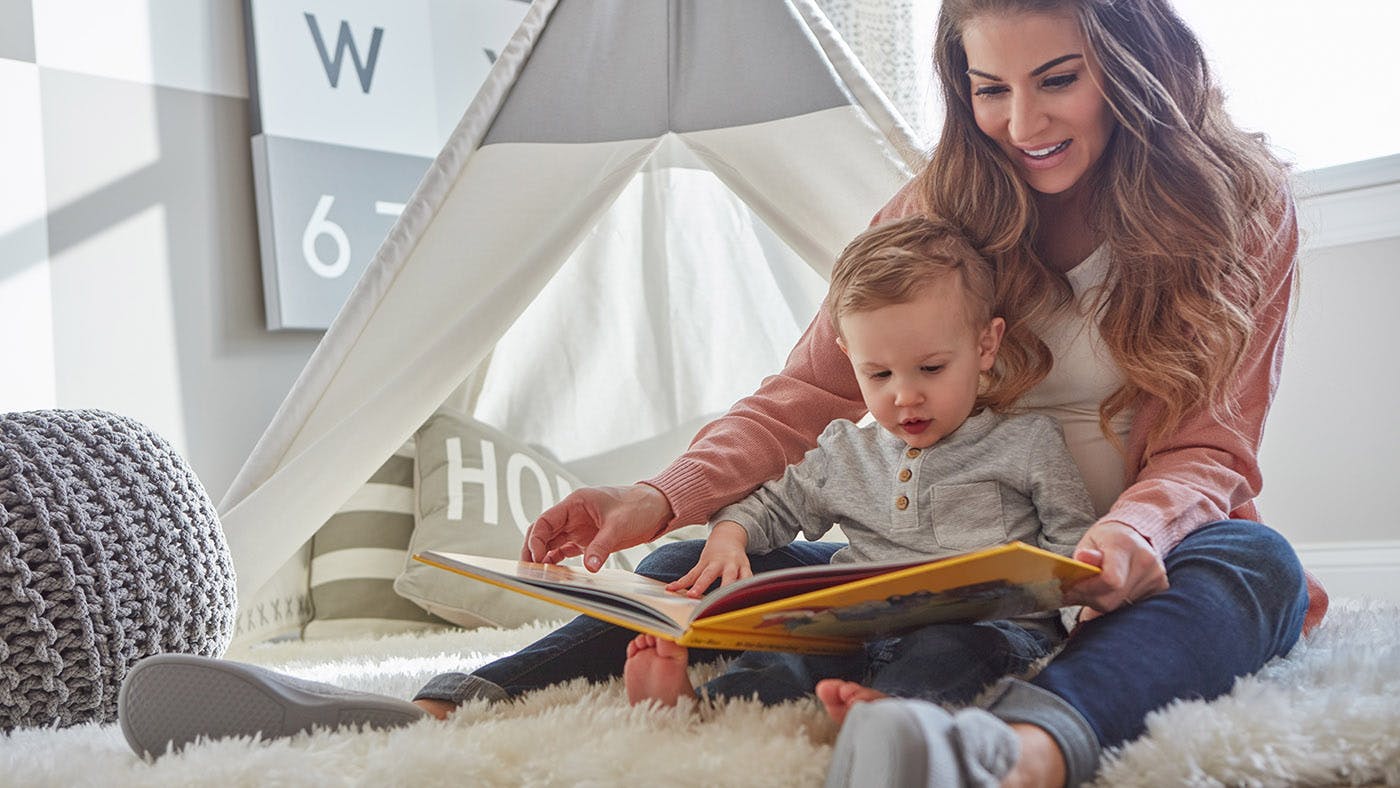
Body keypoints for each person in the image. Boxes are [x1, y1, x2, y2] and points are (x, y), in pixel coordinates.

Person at [119, 0, 1323, 784]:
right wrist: (659, 499)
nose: (1018, 123)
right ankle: (439, 708)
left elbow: (1212, 449)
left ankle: (1001, 752)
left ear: (1134, 59)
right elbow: (803, 395)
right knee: (699, 569)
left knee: (1253, 565)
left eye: (1055, 80)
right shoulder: (939, 204)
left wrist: (1123, 534)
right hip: (912, 556)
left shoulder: (1239, 207)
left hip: (1109, 563)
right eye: (986, 88)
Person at [624, 214, 1097, 711]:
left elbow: (1072, 545)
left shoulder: (1027, 442)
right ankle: (701, 706)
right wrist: (729, 536)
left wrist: (1083, 612)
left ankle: (890, 716)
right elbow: (774, 505)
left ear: (985, 346)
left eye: (931, 369)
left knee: (949, 651)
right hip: (858, 623)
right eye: (878, 374)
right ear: (849, 358)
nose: (904, 395)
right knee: (789, 647)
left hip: (988, 627)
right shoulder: (846, 451)